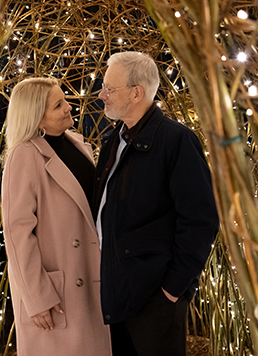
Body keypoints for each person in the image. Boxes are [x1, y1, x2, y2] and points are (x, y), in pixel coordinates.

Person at [92, 52, 219, 356]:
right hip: (118, 291)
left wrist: (172, 290)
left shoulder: (176, 141)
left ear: (137, 93)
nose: (101, 94)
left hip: (156, 298)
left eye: (110, 88)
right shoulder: (113, 141)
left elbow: (201, 221)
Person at [1, 77, 112, 356]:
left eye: (64, 100)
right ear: (37, 117)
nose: (68, 108)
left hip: (90, 276)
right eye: (58, 105)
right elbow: (17, 235)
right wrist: (36, 298)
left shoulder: (75, 143)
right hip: (56, 292)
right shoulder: (24, 156)